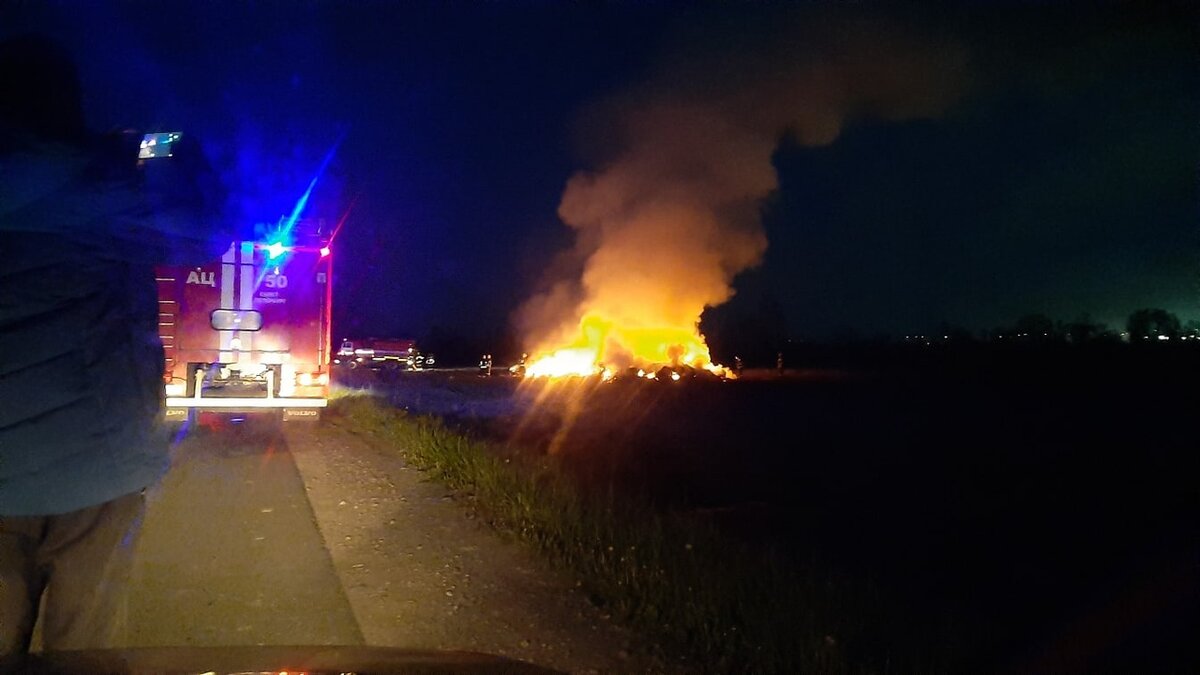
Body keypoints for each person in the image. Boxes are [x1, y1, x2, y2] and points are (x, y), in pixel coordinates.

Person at [0, 35, 231, 667]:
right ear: (69, 107)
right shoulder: (106, 190)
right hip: (98, 470)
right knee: (85, 651)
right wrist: (166, 154)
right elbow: (208, 233)